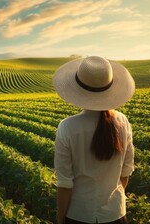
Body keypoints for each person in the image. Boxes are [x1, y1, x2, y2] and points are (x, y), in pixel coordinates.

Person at [52, 56, 135, 224]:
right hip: (116, 215)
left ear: (78, 89)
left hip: (79, 215)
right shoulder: (122, 122)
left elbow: (65, 183)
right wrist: (112, 200)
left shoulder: (67, 127)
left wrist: (60, 219)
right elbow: (126, 172)